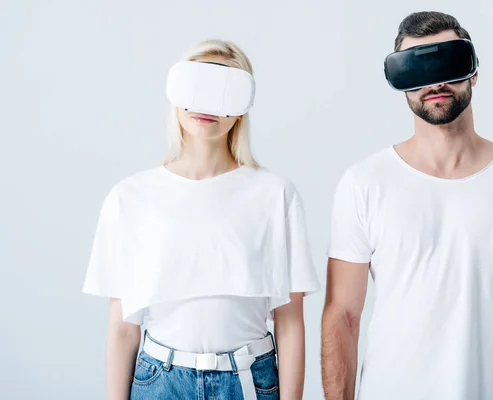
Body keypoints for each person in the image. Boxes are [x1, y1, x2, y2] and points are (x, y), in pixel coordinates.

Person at [321, 11, 493, 400]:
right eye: (416, 69)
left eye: (448, 65)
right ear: (400, 82)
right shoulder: (363, 182)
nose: (435, 82)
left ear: (473, 72)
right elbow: (342, 316)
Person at [82, 39, 321, 400]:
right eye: (198, 87)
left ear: (243, 106)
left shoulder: (275, 195)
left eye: (224, 90)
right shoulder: (130, 197)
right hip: (160, 381)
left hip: (249, 380)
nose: (207, 105)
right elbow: (123, 327)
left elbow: (289, 321)